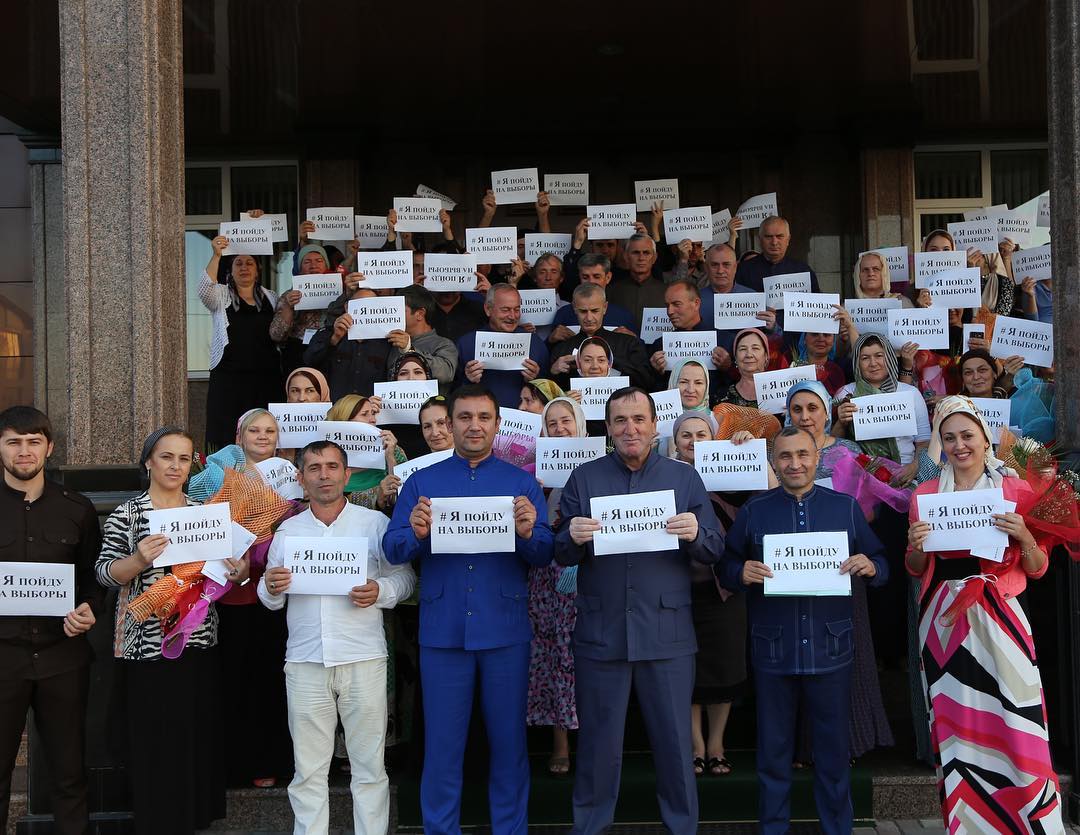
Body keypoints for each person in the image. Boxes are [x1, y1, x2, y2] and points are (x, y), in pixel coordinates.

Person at [383, 385, 553, 835]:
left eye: (483, 417)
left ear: (497, 424)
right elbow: (393, 547)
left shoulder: (521, 483)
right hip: (443, 631)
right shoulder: (422, 483)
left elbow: (544, 553)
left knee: (509, 744)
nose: (474, 426)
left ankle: (510, 830)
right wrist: (415, 532)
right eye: (464, 417)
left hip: (505, 630)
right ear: (450, 424)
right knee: (442, 746)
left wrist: (528, 532)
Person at [554, 386, 723, 835]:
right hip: (601, 632)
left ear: (654, 425)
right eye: (620, 420)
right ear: (608, 428)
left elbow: (714, 550)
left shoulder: (684, 479)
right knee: (597, 744)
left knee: (674, 743)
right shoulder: (583, 479)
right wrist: (571, 536)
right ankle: (589, 827)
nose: (630, 428)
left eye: (639, 419)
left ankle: (682, 827)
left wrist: (696, 533)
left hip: (666, 633)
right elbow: (560, 552)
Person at [719, 425, 888, 835]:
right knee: (773, 753)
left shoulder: (845, 507)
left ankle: (837, 828)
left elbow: (881, 560)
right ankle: (773, 828)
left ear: (816, 458)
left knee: (833, 754)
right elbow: (726, 565)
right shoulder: (755, 511)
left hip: (831, 648)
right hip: (774, 650)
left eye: (802, 455)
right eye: (785, 456)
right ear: (773, 462)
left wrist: (871, 566)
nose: (794, 463)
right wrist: (739, 572)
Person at [906, 396, 1064, 832]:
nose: (959, 445)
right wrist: (915, 546)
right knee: (957, 728)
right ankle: (971, 823)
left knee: (1017, 719)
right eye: (949, 437)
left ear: (984, 438)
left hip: (1001, 619)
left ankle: (1032, 822)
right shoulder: (924, 496)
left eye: (967, 435)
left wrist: (1025, 537)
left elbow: (1038, 569)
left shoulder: (1015, 490)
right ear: (940, 443)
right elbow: (915, 568)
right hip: (942, 623)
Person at [259, 439, 415, 834]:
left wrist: (380, 591)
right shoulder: (288, 531)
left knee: (370, 768)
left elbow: (405, 579)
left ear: (346, 475)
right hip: (305, 662)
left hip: (363, 658)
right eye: (314, 468)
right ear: (301, 478)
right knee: (308, 771)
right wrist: (270, 586)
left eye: (332, 467)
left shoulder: (374, 524)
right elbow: (270, 595)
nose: (324, 475)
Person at [96, 428, 229, 834]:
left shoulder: (204, 513)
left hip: (197, 641)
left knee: (192, 735)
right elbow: (105, 574)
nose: (175, 466)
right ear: (148, 462)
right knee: (154, 739)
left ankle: (192, 820)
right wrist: (138, 559)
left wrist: (235, 569)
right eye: (166, 457)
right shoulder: (128, 514)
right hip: (146, 646)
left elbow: (223, 573)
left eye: (184, 459)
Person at [0, 406, 103, 835]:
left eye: (33, 441)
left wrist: (89, 608)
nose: (24, 451)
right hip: (3, 658)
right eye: (13, 442)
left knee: (69, 772)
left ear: (49, 447)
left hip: (63, 658)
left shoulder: (77, 509)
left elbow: (92, 579)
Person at [783, 382, 894, 763]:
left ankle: (849, 741)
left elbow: (869, 512)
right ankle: (804, 746)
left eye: (812, 408)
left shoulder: (848, 451)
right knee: (800, 661)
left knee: (848, 657)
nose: (805, 416)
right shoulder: (778, 452)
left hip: (839, 570)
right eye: (797, 409)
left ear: (826, 412)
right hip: (793, 572)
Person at [185, 409, 295, 787]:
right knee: (231, 682)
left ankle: (267, 761)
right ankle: (233, 766)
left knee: (268, 681)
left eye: (270, 431)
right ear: (239, 437)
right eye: (254, 430)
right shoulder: (214, 476)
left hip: (271, 595)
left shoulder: (291, 479)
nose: (262, 436)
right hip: (225, 596)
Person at [667, 410, 748, 778]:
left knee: (723, 667)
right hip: (675, 590)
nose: (693, 441)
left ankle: (716, 745)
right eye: (686, 434)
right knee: (686, 671)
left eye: (701, 434)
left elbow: (767, 492)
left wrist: (749, 452)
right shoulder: (663, 478)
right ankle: (695, 746)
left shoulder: (732, 475)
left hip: (722, 589)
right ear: (675, 441)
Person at [528, 396, 589, 776]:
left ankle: (594, 740)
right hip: (548, 581)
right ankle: (560, 742)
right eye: (552, 423)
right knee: (555, 658)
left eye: (566, 420)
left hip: (591, 575)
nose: (560, 428)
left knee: (588, 659)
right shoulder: (533, 471)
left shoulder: (601, 465)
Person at [200, 235, 283, 449]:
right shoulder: (221, 294)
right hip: (229, 379)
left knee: (263, 431)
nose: (244, 268)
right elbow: (205, 290)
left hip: (266, 378)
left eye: (249, 263)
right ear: (231, 270)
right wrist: (216, 255)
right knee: (226, 432)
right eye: (238, 263)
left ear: (258, 270)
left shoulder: (271, 297)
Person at [456, 284, 550, 408]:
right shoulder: (466, 343)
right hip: (479, 416)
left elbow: (549, 392)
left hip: (522, 417)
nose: (512, 316)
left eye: (517, 309)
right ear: (488, 309)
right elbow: (452, 391)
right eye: (505, 310)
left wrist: (536, 380)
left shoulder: (534, 343)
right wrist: (468, 380)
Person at [548, 285, 652, 390]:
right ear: (574, 308)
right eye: (583, 311)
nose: (589, 318)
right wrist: (553, 373)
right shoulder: (562, 349)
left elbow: (647, 382)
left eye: (594, 311)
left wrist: (611, 360)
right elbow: (550, 393)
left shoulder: (628, 343)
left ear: (605, 308)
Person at [304, 287, 392, 402]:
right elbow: (309, 362)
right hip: (334, 410)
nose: (365, 309)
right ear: (346, 307)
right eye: (360, 304)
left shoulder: (387, 341)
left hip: (371, 410)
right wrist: (334, 339)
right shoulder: (327, 333)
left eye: (371, 305)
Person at [324, 395, 406, 513]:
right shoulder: (324, 457)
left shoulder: (392, 449)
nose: (373, 419)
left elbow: (405, 495)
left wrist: (390, 458)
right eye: (364, 414)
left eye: (373, 413)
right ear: (345, 421)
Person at [270, 242, 336, 374]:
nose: (313, 266)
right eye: (307, 262)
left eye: (319, 261)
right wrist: (288, 307)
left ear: (326, 265)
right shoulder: (289, 295)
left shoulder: (339, 294)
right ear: (300, 268)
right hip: (298, 354)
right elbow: (276, 335)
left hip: (330, 352)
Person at [388, 285, 459, 395]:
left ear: (420, 314)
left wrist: (409, 349)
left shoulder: (444, 344)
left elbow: (446, 373)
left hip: (432, 405)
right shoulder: (392, 343)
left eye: (398, 311)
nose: (393, 316)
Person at [549, 254, 637, 334]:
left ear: (608, 277)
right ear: (579, 277)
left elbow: (639, 346)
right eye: (585, 277)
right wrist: (551, 340)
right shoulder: (564, 314)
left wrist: (633, 338)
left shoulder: (623, 316)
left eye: (596, 277)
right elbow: (550, 346)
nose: (591, 281)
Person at [734, 217, 822, 293]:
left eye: (779, 236)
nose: (774, 242)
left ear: (788, 239)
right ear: (760, 240)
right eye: (768, 237)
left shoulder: (803, 271)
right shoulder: (743, 270)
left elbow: (816, 303)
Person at [606, 234, 668, 329]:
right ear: (626, 257)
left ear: (654, 257)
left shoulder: (667, 292)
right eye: (635, 253)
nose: (641, 258)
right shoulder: (611, 291)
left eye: (646, 253)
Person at [719, 328, 771, 407]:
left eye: (755, 348)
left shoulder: (781, 395)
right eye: (743, 349)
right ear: (735, 357)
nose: (749, 355)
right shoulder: (722, 397)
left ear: (766, 356)